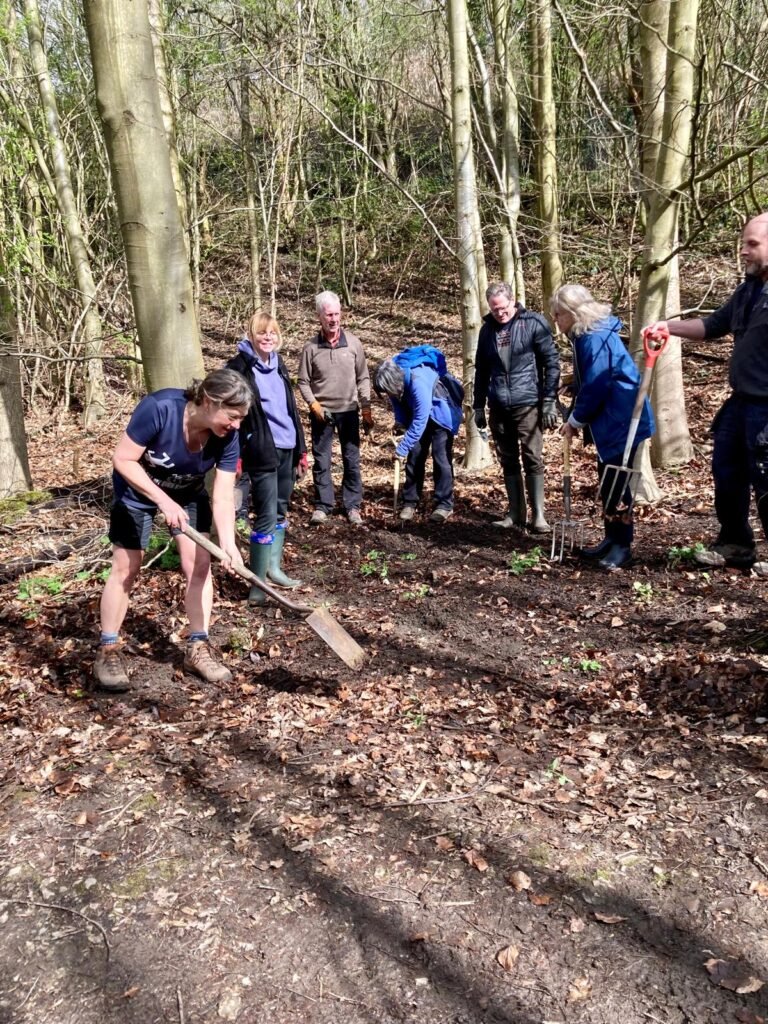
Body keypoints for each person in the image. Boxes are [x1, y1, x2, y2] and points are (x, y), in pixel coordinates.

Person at [93, 369, 251, 693]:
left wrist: (229, 544)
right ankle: (107, 649)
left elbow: (222, 495)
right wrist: (162, 500)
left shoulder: (228, 436)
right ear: (208, 401)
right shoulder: (159, 408)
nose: (236, 426)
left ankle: (198, 647)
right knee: (127, 566)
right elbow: (123, 459)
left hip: (188, 493)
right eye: (232, 417)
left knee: (200, 564)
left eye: (240, 419)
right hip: (136, 491)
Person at [645, 212, 768, 570]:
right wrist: (667, 327)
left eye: (752, 244)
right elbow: (714, 325)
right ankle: (735, 544)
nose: (743, 251)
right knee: (726, 471)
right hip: (740, 402)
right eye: (743, 243)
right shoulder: (749, 289)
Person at [552, 284, 655, 571]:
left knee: (617, 485)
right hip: (612, 420)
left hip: (621, 419)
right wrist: (573, 381)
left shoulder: (592, 337)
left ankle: (623, 546)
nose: (556, 321)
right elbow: (593, 375)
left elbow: (598, 384)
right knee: (608, 482)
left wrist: (574, 421)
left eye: (558, 315)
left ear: (573, 313)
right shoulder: (588, 335)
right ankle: (611, 539)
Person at [226, 311, 308, 605]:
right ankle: (257, 584)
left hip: (288, 446)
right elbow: (231, 413)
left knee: (281, 510)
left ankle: (274, 568)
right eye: (262, 332)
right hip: (260, 449)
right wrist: (234, 454)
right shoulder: (239, 367)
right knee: (264, 515)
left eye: (272, 332)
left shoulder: (280, 365)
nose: (268, 337)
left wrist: (302, 448)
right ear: (252, 335)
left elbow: (290, 409)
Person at [472, 281, 560, 532]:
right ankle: (515, 512)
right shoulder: (486, 331)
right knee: (508, 459)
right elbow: (481, 370)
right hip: (498, 404)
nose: (499, 313)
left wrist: (550, 401)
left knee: (532, 456)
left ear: (513, 301)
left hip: (528, 402)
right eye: (494, 309)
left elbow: (551, 363)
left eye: (502, 307)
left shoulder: (533, 323)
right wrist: (478, 406)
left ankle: (539, 515)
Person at [297, 291, 372, 526]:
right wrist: (314, 404)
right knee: (322, 460)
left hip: (349, 410)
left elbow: (364, 377)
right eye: (329, 314)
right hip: (322, 413)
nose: (334, 319)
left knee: (351, 459)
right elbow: (302, 381)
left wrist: (367, 408)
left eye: (337, 313)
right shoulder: (310, 348)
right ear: (319, 316)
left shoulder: (353, 343)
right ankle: (323, 506)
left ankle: (353, 506)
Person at [373, 350, 462, 523]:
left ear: (394, 383)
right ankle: (410, 502)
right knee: (415, 456)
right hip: (418, 415)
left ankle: (444, 504)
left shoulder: (418, 381)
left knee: (440, 457)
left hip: (440, 414)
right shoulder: (394, 383)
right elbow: (397, 402)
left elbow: (421, 419)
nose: (387, 394)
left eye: (387, 391)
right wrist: (400, 422)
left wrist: (402, 448)